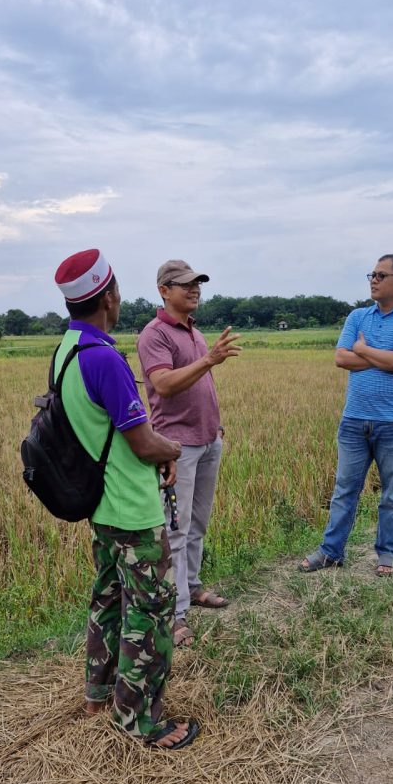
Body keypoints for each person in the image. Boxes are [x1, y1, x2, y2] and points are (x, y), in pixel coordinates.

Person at [53, 248, 199, 750]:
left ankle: (98, 694)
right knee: (152, 611)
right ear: (109, 297)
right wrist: (173, 447)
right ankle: (142, 720)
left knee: (109, 598)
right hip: (133, 509)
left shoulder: (66, 351)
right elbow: (143, 442)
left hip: (99, 507)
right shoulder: (105, 360)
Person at [299, 254, 393, 576]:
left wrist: (364, 350)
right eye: (372, 274)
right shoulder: (357, 317)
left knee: (392, 493)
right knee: (344, 489)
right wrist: (384, 356)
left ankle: (386, 555)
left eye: (381, 275)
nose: (373, 280)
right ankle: (331, 552)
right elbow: (341, 359)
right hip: (355, 419)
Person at [137, 259, 241, 647]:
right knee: (175, 531)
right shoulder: (155, 334)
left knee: (198, 522)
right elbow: (163, 385)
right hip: (177, 447)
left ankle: (193, 587)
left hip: (208, 439)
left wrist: (215, 424)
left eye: (197, 283)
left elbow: (200, 383)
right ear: (164, 290)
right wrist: (209, 359)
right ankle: (176, 613)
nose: (194, 289)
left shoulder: (193, 331)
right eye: (185, 284)